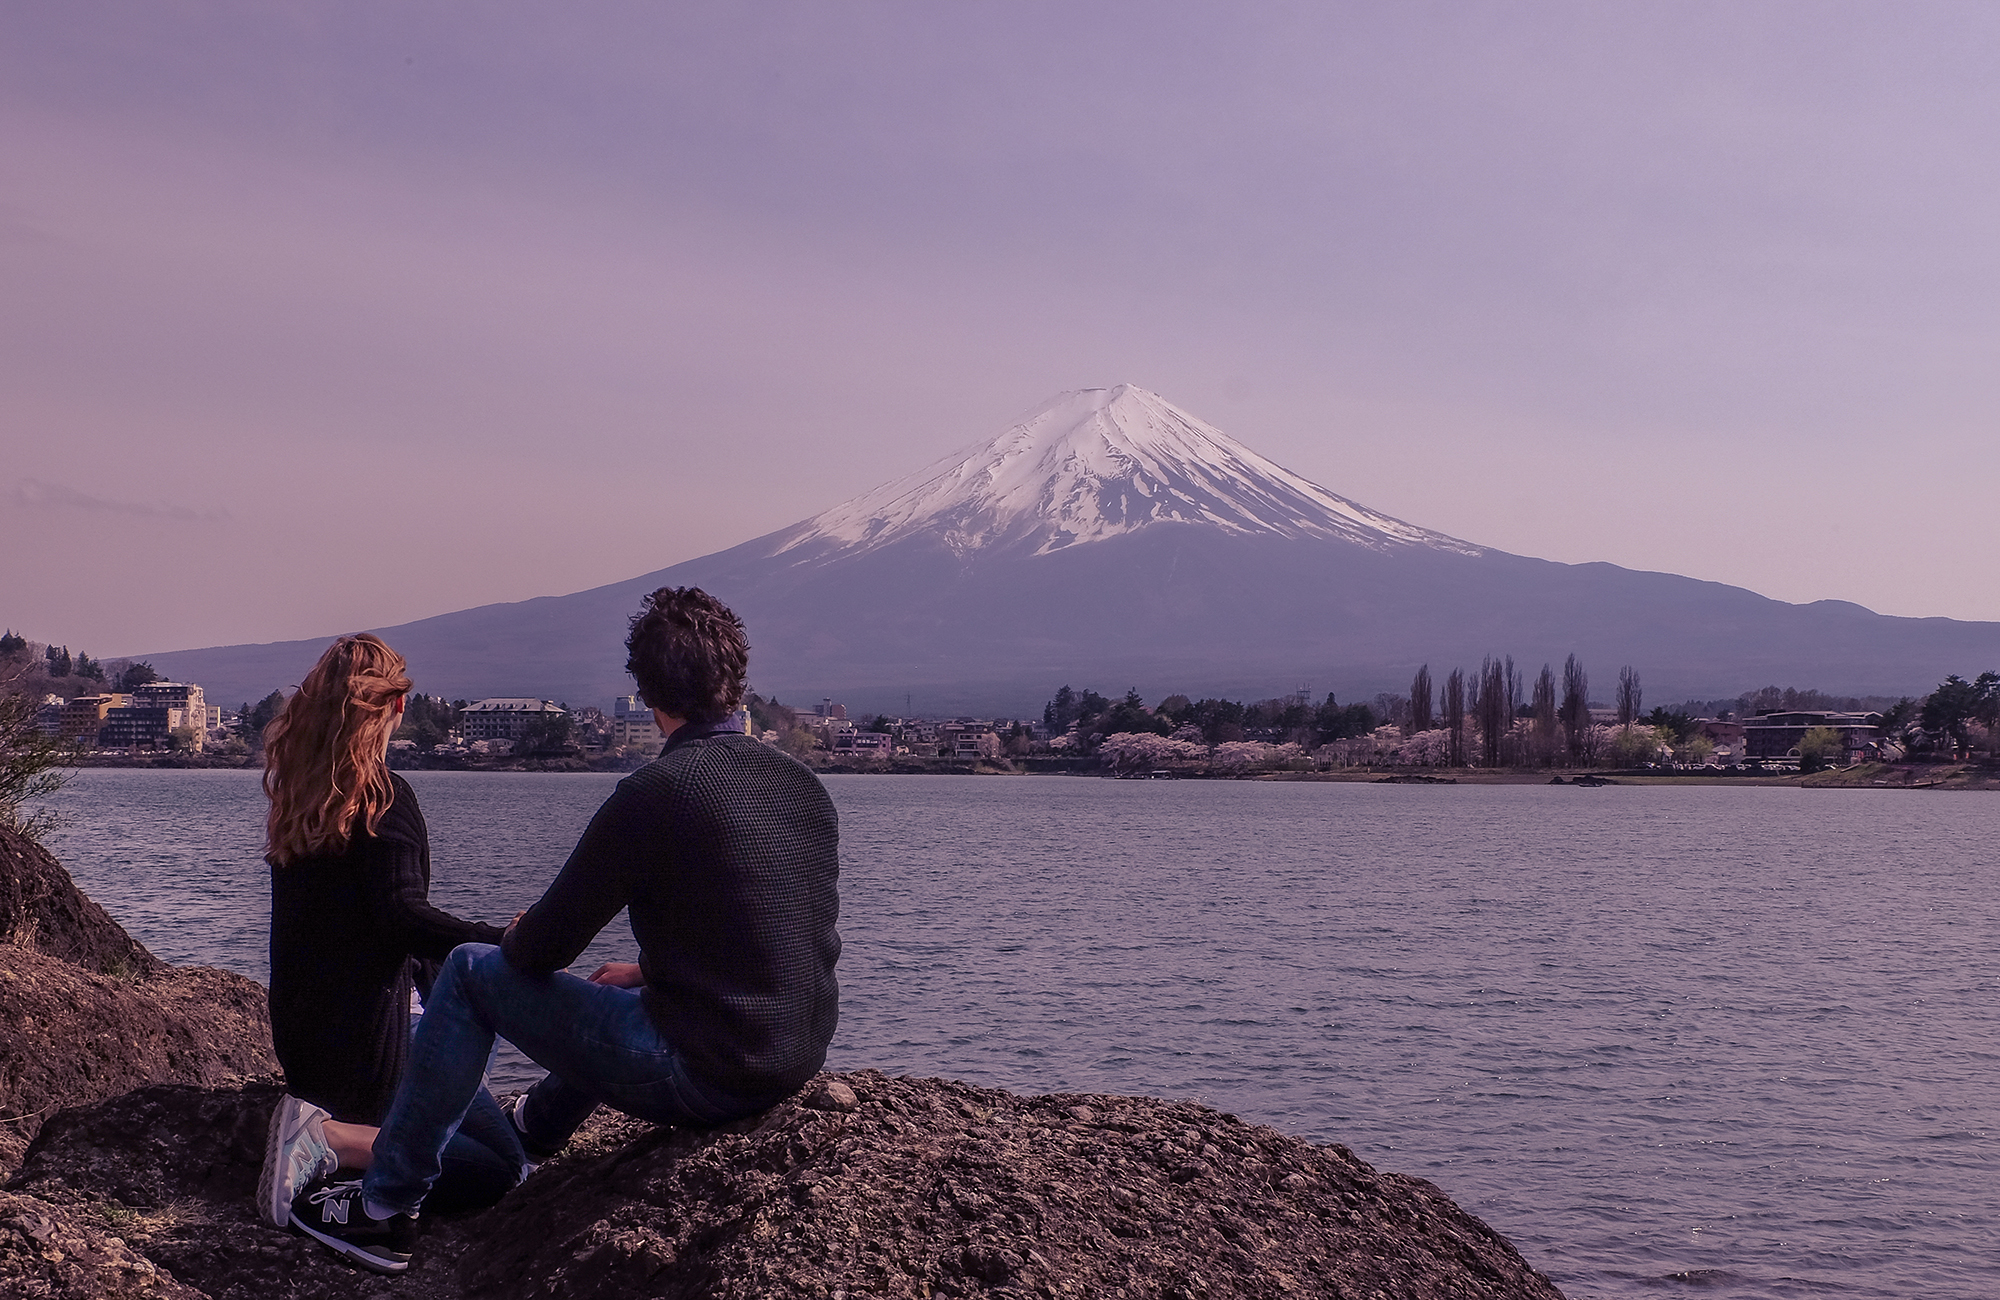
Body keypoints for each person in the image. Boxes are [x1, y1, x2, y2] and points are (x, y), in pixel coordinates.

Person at [287, 587, 842, 1274]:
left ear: (643, 691)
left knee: (466, 971)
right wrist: (644, 972)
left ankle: (381, 1209)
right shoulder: (800, 783)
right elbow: (788, 935)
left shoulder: (657, 793)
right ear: (737, 678)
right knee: (615, 984)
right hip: (793, 1058)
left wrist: (515, 935)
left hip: (709, 1074)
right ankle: (539, 1126)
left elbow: (545, 949)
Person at [256, 633, 528, 1240]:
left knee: (503, 1144)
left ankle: (337, 1136)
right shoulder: (382, 795)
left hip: (310, 1045)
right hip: (376, 1049)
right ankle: (331, 1142)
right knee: (500, 1169)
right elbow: (402, 916)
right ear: (398, 706)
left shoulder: (298, 794)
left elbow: (360, 927)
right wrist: (503, 942)